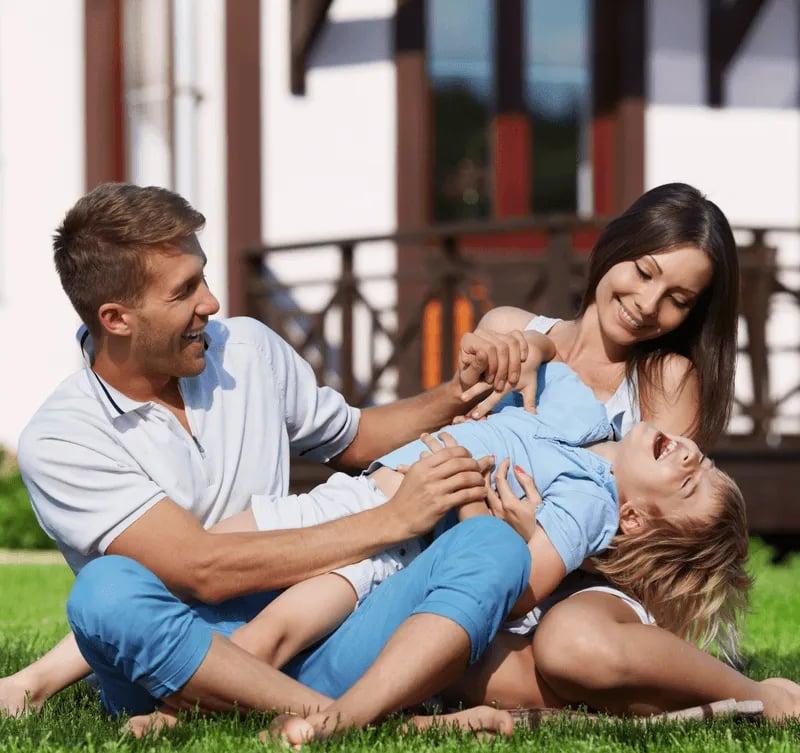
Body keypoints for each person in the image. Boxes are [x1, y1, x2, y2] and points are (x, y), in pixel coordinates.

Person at [1, 182, 535, 733]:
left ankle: (320, 715)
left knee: (492, 544)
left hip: (318, 631)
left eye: (203, 277)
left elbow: (355, 437)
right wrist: (391, 520)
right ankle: (344, 716)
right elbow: (202, 570)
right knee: (104, 592)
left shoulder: (247, 349)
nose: (210, 303)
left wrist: (456, 394)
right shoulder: (62, 438)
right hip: (176, 665)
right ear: (116, 319)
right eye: (184, 291)